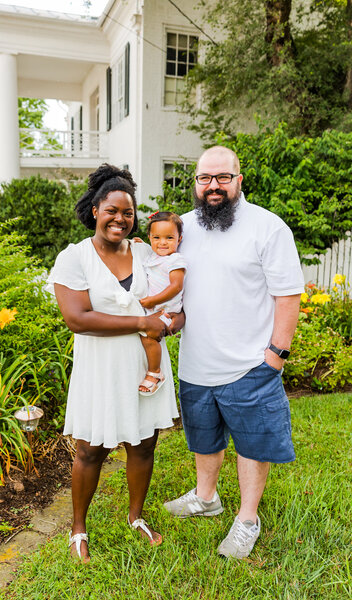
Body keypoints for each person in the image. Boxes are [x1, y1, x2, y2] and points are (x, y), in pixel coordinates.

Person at [163, 146, 305, 559]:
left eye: (222, 178)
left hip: (249, 365)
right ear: (195, 183)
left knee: (253, 445)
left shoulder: (267, 227)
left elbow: (288, 295)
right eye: (205, 178)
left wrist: (276, 353)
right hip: (196, 363)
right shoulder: (183, 228)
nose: (213, 186)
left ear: (239, 180)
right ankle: (206, 498)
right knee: (203, 439)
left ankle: (246, 519)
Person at [46, 164, 179, 564]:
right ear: (94, 211)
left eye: (128, 212)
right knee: (90, 449)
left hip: (146, 368)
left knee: (143, 444)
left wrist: (169, 324)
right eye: (112, 210)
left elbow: (173, 302)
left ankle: (135, 517)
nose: (120, 219)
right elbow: (77, 318)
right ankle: (78, 529)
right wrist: (142, 321)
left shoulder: (145, 251)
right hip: (100, 370)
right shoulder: (74, 258)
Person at [138, 211, 186, 396]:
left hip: (168, 310)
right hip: (156, 309)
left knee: (148, 336)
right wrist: (139, 244)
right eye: (156, 237)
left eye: (169, 238)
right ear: (149, 237)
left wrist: (152, 300)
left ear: (179, 239)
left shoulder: (176, 260)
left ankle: (155, 373)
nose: (162, 242)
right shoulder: (153, 257)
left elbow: (176, 286)